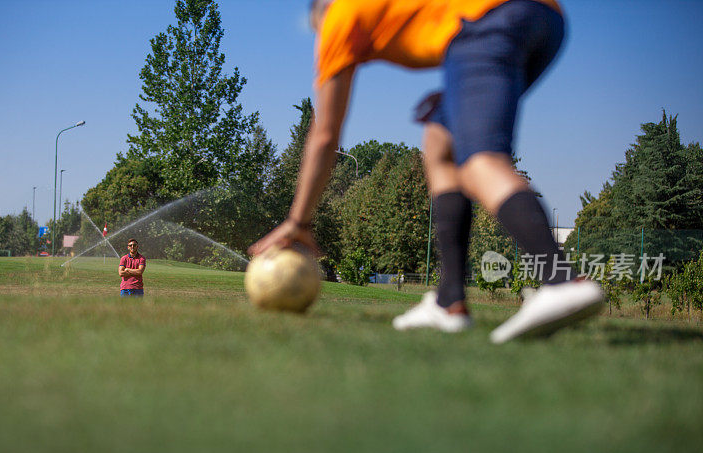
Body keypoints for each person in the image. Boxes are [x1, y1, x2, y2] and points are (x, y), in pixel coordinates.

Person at [248, 0, 603, 342]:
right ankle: (449, 302)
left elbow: (325, 136)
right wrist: (458, 96)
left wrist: (299, 221)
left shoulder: (339, 13)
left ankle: (560, 280)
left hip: (490, 21)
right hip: (543, 19)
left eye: (317, 32)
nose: (323, 42)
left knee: (481, 161)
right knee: (439, 144)